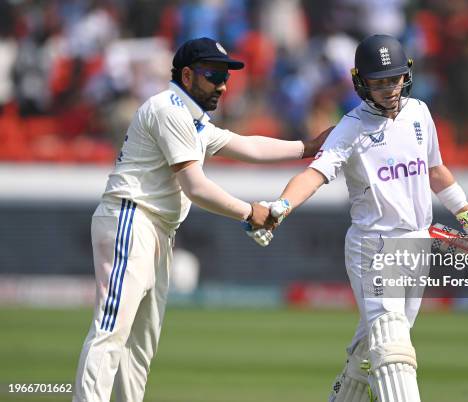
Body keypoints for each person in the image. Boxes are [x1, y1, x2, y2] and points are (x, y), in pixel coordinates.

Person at [72, 37, 330, 402]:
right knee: (113, 330)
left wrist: (307, 147)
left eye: (225, 76)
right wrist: (249, 211)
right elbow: (195, 186)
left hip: (157, 227)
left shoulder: (194, 120)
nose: (223, 85)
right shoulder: (169, 109)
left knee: (140, 345)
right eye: (214, 75)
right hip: (131, 218)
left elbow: (248, 146)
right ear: (188, 74)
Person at [260, 35, 468, 402]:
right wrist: (282, 205)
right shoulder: (350, 128)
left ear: (407, 76)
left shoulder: (420, 112)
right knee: (392, 348)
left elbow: (435, 171)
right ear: (361, 82)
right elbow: (314, 174)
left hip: (418, 244)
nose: (389, 88)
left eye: (394, 78)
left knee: (372, 348)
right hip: (374, 247)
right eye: (379, 81)